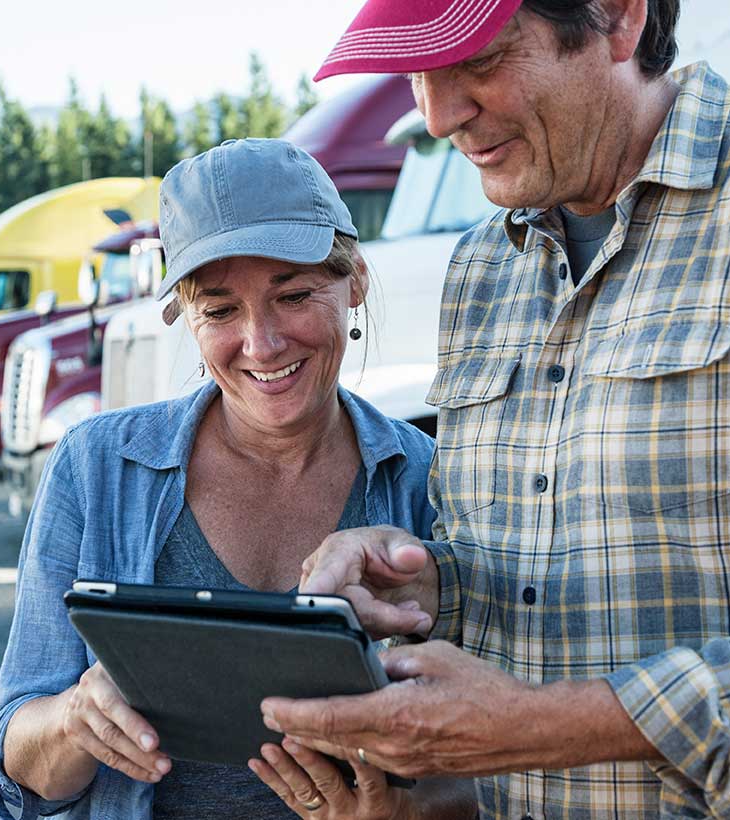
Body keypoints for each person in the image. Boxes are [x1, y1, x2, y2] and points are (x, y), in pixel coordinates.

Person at [259, 1, 730, 818]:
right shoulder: (482, 267)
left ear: (619, 17)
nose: (437, 116)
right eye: (415, 69)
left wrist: (545, 728)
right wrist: (423, 584)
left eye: (477, 57)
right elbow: (548, 576)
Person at [0, 138, 476, 819]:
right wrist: (76, 719)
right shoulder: (95, 467)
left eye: (295, 294)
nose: (262, 343)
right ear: (188, 318)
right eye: (219, 311)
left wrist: (406, 812)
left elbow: (484, 766)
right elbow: (20, 766)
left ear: (355, 279)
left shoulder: (429, 480)